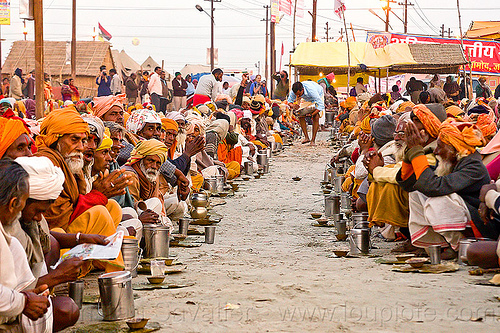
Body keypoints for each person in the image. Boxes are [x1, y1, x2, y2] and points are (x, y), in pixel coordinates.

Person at [34, 107, 130, 273]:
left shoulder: (69, 162)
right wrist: (97, 195)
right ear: (55, 139)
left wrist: (98, 195)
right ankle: (115, 273)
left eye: (83, 141)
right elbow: (55, 218)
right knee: (99, 212)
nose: (81, 147)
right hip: (53, 237)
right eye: (74, 140)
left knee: (112, 208)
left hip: (68, 230)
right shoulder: (46, 161)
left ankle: (96, 260)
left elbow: (74, 206)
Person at [397, 119, 490, 258]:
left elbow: (433, 187)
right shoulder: (451, 162)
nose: (436, 151)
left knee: (438, 201)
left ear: (454, 148)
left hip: (480, 225)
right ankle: (440, 245)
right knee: (416, 194)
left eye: (440, 146)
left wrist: (417, 151)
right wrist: (412, 151)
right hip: (463, 216)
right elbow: (410, 184)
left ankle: (460, 245)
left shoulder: (474, 166)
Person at [0, 159, 52, 332]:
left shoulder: (9, 240)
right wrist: (25, 302)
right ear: (13, 203)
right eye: (22, 204)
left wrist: (27, 297)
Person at [287, 81, 325, 146]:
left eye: (299, 94)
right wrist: (293, 106)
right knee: (300, 114)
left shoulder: (312, 91)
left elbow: (321, 106)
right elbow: (289, 102)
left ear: (303, 90)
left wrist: (311, 114)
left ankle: (313, 140)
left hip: (318, 96)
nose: (297, 96)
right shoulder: (294, 91)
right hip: (306, 99)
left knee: (316, 117)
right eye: (296, 95)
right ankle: (306, 137)